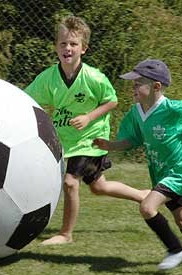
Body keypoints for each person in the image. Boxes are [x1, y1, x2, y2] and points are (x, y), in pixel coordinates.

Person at [93, 59, 182, 270]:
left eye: (137, 83)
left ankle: (175, 249)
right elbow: (132, 140)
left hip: (179, 172)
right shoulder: (137, 112)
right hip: (160, 173)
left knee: (147, 207)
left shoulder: (172, 109)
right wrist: (109, 145)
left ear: (156, 87)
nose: (133, 87)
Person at [25, 15, 149, 245]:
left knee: (70, 182)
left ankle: (66, 234)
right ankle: (141, 194)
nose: (67, 48)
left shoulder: (93, 77)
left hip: (90, 140)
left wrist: (88, 117)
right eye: (63, 43)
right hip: (66, 141)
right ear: (56, 47)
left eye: (73, 44)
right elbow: (25, 97)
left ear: (84, 48)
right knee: (99, 187)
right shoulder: (48, 78)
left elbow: (112, 101)